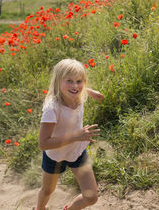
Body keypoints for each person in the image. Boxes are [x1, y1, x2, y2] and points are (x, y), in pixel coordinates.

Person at [36, 58, 104, 210]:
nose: (75, 86)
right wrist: (76, 136)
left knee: (91, 197)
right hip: (55, 156)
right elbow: (43, 143)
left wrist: (91, 92)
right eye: (69, 81)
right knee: (48, 190)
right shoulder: (52, 109)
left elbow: (76, 88)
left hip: (77, 152)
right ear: (58, 81)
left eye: (79, 81)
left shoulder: (77, 94)